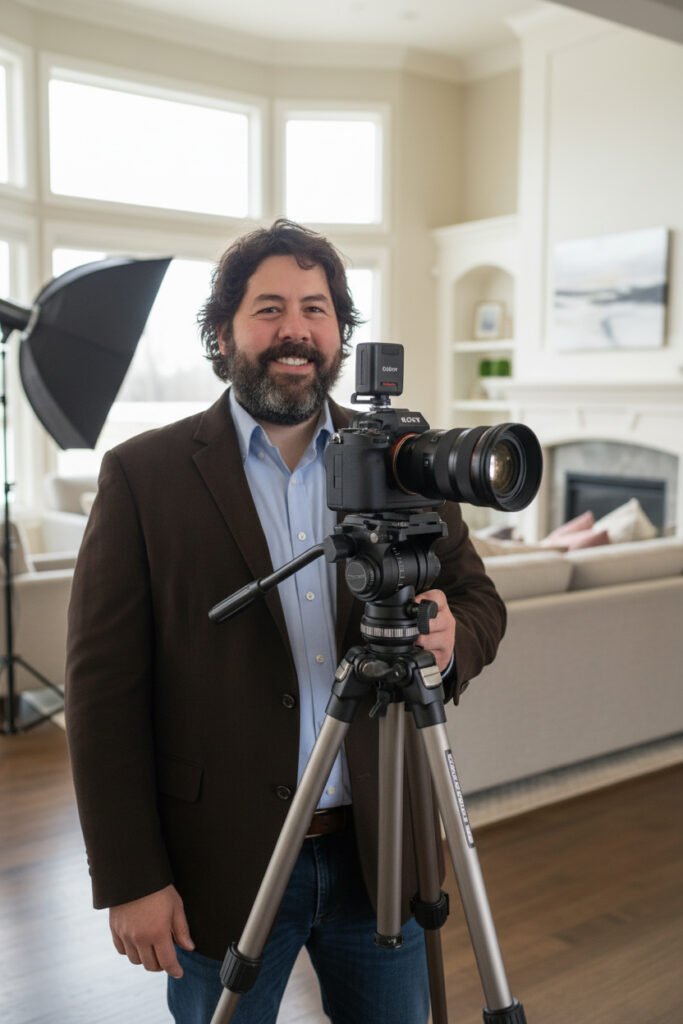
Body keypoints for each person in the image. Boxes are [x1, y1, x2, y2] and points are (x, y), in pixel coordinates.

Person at [65, 219, 507, 1024]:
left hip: (384, 850)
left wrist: (451, 638)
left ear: (340, 332)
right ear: (223, 330)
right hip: (223, 863)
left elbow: (479, 602)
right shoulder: (144, 475)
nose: (295, 330)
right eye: (268, 308)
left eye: (316, 308)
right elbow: (100, 696)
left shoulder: (407, 460)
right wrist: (129, 877)